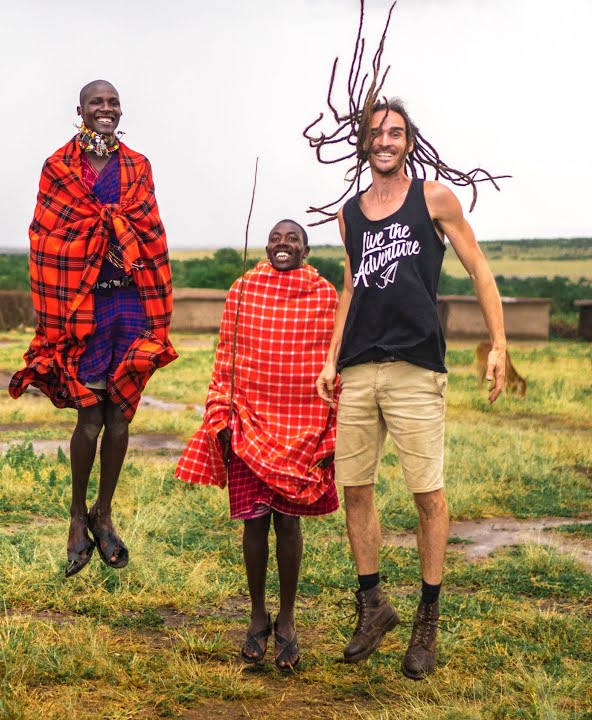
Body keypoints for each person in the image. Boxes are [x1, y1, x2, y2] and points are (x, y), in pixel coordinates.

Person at [315, 98, 507, 679]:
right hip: (358, 368)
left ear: (409, 141)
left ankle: (427, 620)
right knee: (356, 489)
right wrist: (330, 360)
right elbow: (351, 286)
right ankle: (373, 604)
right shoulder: (349, 214)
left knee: (427, 495)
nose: (385, 140)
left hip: (417, 367)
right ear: (364, 143)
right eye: (376, 133)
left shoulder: (434, 199)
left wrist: (497, 342)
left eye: (395, 132)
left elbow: (478, 267)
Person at [10, 80, 176, 577]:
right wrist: (101, 229)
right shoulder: (59, 167)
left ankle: (105, 512)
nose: (106, 109)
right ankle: (77, 514)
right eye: (96, 103)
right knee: (89, 418)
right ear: (79, 110)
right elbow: (46, 236)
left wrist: (116, 229)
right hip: (81, 305)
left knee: (120, 415)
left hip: (130, 303)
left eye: (112, 102)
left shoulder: (138, 166)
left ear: (120, 110)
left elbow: (150, 232)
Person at [177, 220, 338, 671]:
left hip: (301, 427)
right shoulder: (243, 290)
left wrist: (332, 429)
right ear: (266, 245)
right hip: (248, 421)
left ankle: (286, 620)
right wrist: (221, 412)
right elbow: (225, 356)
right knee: (253, 524)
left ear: (306, 250)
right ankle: (256, 616)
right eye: (276, 238)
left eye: (293, 239)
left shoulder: (326, 297)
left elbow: (335, 364)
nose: (282, 244)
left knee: (288, 525)